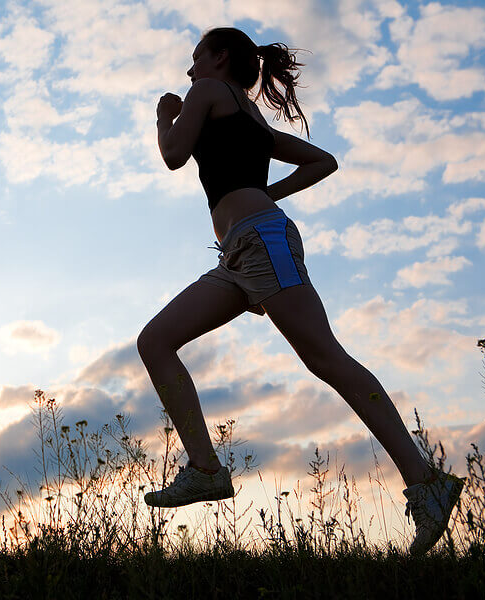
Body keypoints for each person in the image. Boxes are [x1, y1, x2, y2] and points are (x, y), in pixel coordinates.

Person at [137, 26, 464, 556]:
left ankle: (425, 482)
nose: (189, 70)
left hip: (263, 243)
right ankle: (204, 469)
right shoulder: (251, 119)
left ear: (219, 57)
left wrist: (163, 114)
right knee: (155, 341)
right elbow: (323, 161)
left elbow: (174, 154)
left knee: (327, 359)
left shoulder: (207, 93)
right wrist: (266, 192)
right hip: (242, 253)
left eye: (195, 58)